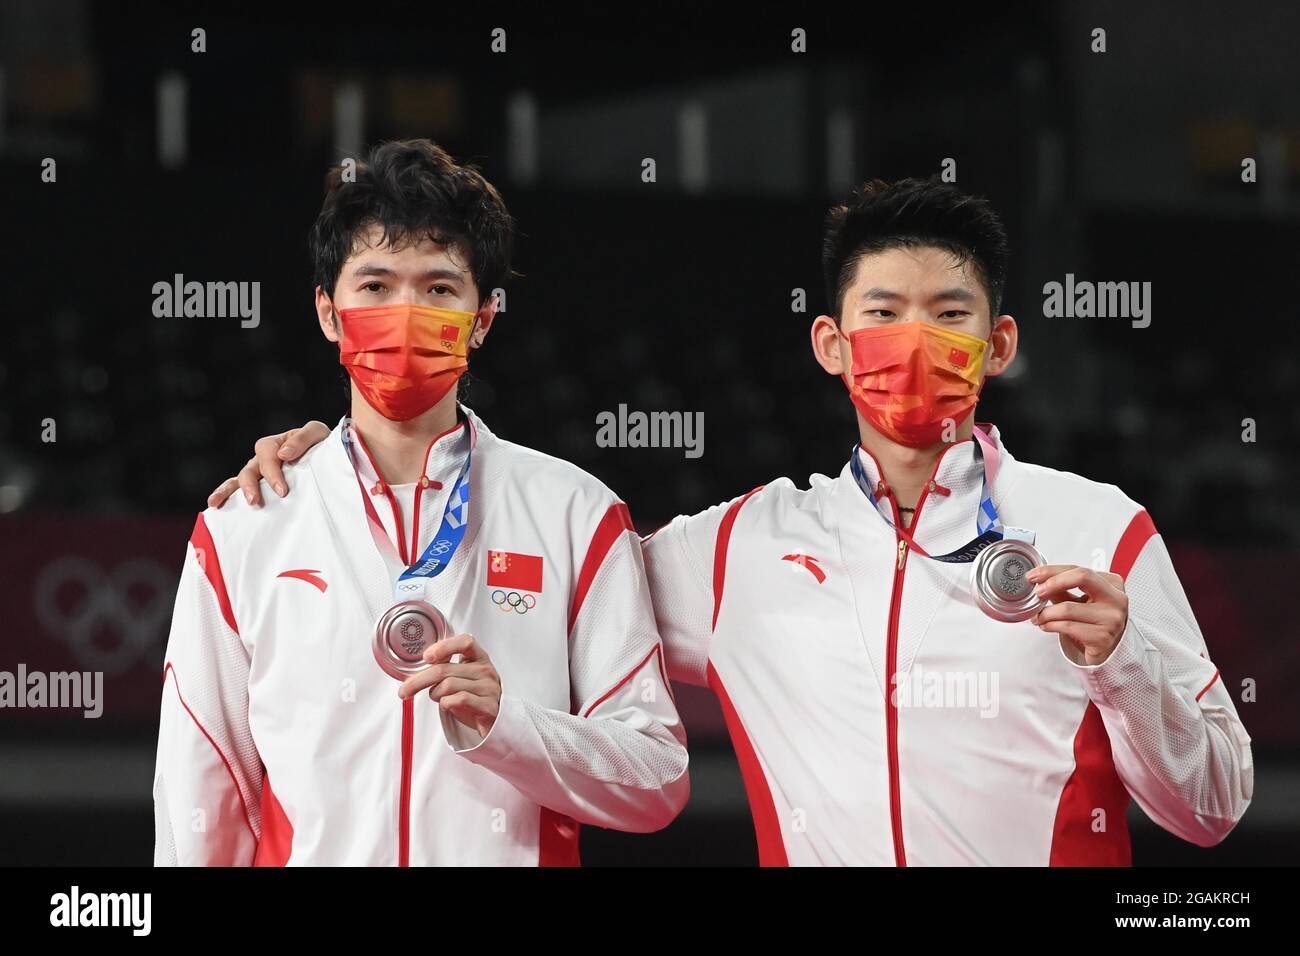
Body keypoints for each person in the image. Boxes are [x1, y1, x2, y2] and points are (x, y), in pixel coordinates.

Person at [210, 178, 1252, 866]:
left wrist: (1123, 660)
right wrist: (346, 468)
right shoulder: (740, 550)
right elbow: (545, 553)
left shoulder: (1098, 529)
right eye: (882, 313)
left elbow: (1210, 805)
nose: (915, 340)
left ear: (1001, 341)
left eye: (951, 314)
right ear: (831, 345)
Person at [154, 139, 689, 867]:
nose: (405, 313)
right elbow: (200, 795)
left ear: (484, 317)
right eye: (375, 286)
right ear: (327, 312)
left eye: (439, 289)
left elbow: (656, 778)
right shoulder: (246, 525)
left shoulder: (577, 516)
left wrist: (512, 728)